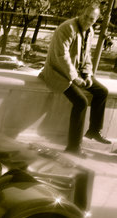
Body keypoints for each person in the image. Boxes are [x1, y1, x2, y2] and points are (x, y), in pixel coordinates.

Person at [39, 3, 110, 156]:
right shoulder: (67, 28)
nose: (87, 21)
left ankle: (94, 130)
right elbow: (61, 56)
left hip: (76, 72)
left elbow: (86, 56)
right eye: (85, 16)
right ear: (81, 13)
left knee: (102, 92)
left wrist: (88, 75)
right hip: (57, 73)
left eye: (91, 19)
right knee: (81, 101)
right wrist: (75, 77)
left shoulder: (90, 31)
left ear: (95, 21)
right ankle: (73, 147)